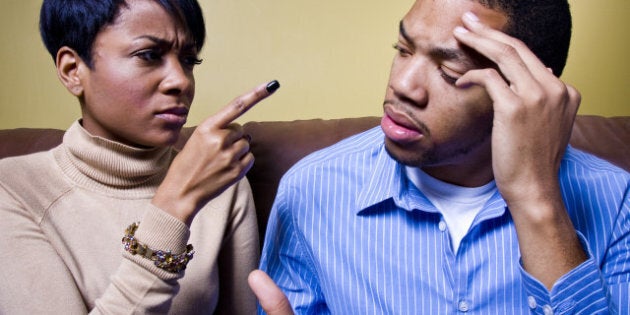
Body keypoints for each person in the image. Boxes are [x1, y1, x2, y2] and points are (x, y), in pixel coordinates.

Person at [254, 0, 630, 313]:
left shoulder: (615, 201)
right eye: (402, 50)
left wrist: (537, 199)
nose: (403, 85)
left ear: (528, 91)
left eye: (450, 72)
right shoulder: (311, 188)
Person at [0, 0, 279, 313]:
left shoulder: (222, 179)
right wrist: (175, 204)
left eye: (189, 60)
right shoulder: (10, 190)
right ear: (72, 70)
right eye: (149, 55)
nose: (181, 81)